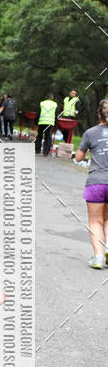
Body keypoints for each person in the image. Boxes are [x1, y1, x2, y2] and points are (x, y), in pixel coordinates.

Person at [74, 99, 108, 269]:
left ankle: (98, 257)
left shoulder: (90, 133)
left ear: (98, 113)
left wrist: (90, 152)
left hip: (96, 182)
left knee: (96, 221)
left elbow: (78, 157)